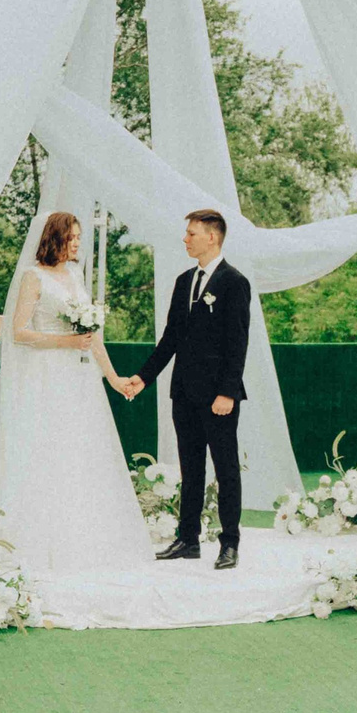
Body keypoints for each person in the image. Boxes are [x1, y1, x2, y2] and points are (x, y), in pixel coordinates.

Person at [0, 211, 150, 577]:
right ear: (54, 238)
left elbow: (92, 337)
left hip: (79, 379)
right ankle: (33, 541)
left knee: (81, 451)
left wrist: (112, 377)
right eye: (72, 237)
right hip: (45, 376)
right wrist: (67, 342)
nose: (77, 243)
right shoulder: (34, 277)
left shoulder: (75, 275)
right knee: (45, 450)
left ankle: (84, 539)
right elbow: (19, 332)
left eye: (79, 237)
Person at [122, 209, 251, 569]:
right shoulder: (183, 281)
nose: (185, 239)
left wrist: (227, 392)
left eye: (192, 233)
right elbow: (170, 339)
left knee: (226, 470)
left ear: (212, 237)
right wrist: (143, 377)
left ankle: (230, 543)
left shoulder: (234, 282)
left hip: (219, 398)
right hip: (184, 393)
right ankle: (188, 539)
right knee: (190, 468)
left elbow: (237, 343)